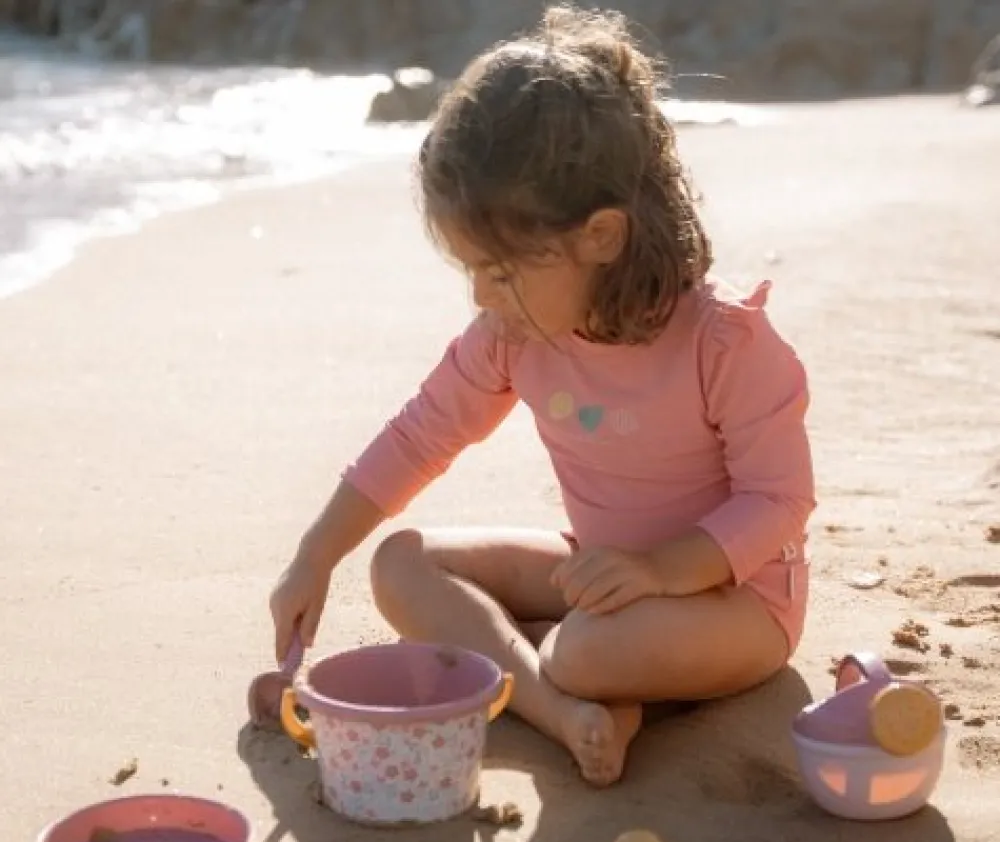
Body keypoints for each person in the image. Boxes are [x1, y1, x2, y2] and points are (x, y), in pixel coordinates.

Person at [269, 5, 816, 787]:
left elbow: (780, 502)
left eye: (499, 272)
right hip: (602, 574)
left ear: (599, 237)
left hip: (737, 604)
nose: (482, 298)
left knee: (586, 647)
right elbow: (420, 436)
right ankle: (568, 710)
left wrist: (662, 569)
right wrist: (314, 557)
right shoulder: (514, 334)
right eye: (471, 273)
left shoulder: (723, 340)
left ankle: (544, 673)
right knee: (401, 565)